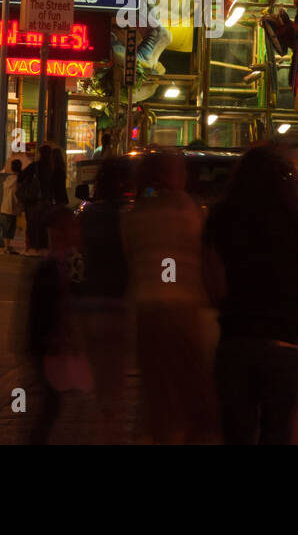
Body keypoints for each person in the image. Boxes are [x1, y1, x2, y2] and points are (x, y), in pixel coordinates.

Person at [203, 144, 298, 445]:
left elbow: (211, 276)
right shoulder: (293, 218)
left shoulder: (221, 216)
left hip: (236, 336)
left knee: (237, 432)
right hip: (283, 337)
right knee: (277, 431)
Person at [121, 151, 215, 444]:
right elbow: (203, 251)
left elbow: (131, 259)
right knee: (193, 387)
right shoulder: (186, 207)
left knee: (158, 391)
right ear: (172, 175)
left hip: (147, 308)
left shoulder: (135, 213)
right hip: (184, 307)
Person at [70, 156, 135, 442]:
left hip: (88, 304)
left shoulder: (87, 214)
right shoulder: (130, 215)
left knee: (89, 377)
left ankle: (91, 427)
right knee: (113, 379)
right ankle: (107, 429)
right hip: (118, 305)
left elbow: (73, 260)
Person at [24, 207, 92, 444]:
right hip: (51, 347)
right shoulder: (51, 267)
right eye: (72, 227)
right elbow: (45, 310)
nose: (78, 231)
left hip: (56, 346)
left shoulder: (68, 263)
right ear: (59, 233)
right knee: (51, 407)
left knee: (53, 406)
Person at [0, 158, 24, 254]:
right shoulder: (18, 181)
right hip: (13, 207)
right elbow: (17, 195)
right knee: (10, 227)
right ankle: (6, 247)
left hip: (6, 206)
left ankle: (7, 246)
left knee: (8, 226)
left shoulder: (8, 179)